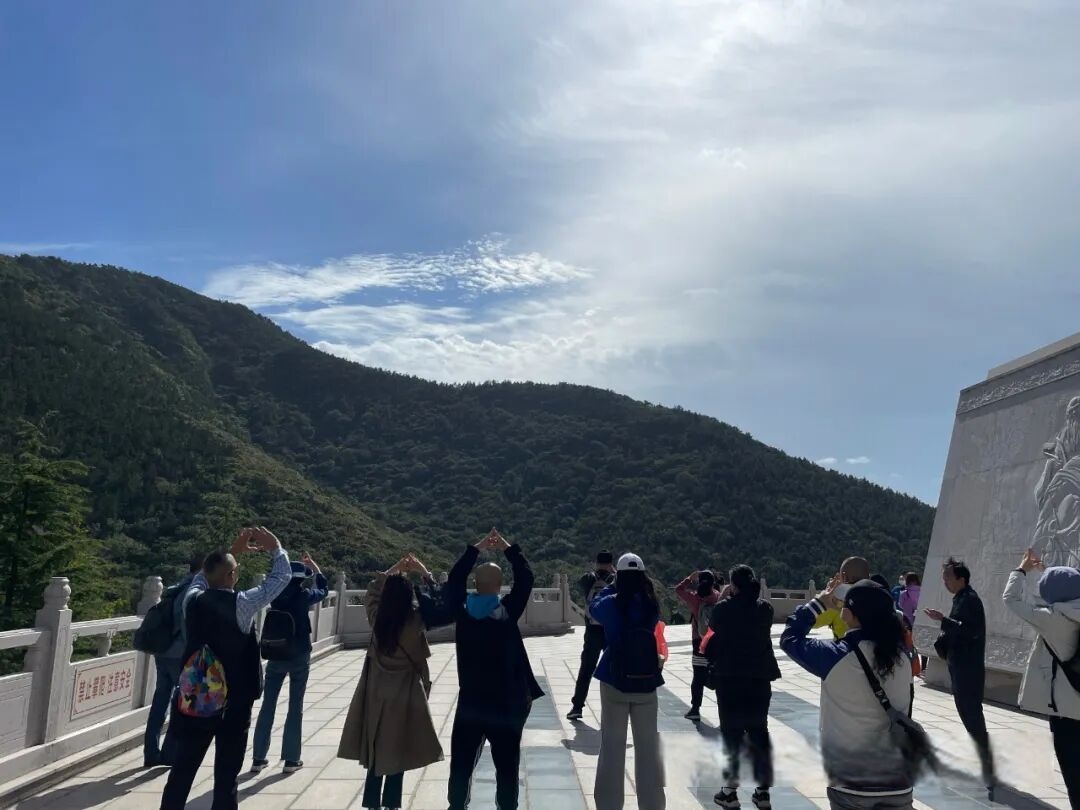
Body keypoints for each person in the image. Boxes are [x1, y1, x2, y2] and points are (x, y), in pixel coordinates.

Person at [160, 527, 293, 810]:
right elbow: (280, 578)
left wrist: (231, 551)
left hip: (197, 699)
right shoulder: (242, 604)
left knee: (183, 767)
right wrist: (276, 547)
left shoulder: (192, 599)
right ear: (232, 576)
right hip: (234, 701)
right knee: (227, 772)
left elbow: (202, 577)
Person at [781, 578, 914, 809]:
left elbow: (791, 638)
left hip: (851, 782)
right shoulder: (903, 657)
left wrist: (819, 604)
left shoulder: (834, 656)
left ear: (848, 614)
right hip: (898, 779)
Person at [435, 529, 543, 810]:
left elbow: (454, 581)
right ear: (500, 585)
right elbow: (526, 579)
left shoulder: (462, 613)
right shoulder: (507, 612)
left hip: (471, 701)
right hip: (505, 702)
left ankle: (457, 805)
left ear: (475, 583)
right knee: (507, 765)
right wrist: (507, 548)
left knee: (461, 763)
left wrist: (475, 549)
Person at [338, 553, 442, 810]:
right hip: (405, 693)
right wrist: (424, 572)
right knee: (399, 747)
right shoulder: (414, 621)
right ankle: (392, 803)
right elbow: (437, 603)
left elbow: (373, 592)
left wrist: (394, 569)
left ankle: (372, 802)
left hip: (376, 692)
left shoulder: (378, 619)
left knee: (376, 746)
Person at [1002, 550, 1080, 806]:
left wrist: (1021, 570)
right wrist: (1052, 575)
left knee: (1074, 776)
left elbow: (1011, 599)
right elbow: (1067, 588)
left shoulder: (1052, 619)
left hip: (1068, 712)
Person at [590, 552, 666, 810]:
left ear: (619, 577)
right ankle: (653, 804)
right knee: (648, 747)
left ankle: (609, 804)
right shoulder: (651, 604)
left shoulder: (611, 602)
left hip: (614, 678)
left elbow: (594, 607)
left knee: (612, 746)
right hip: (646, 679)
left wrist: (611, 585)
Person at [704, 565, 780, 810]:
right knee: (759, 731)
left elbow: (712, 625)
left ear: (734, 585)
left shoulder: (723, 609)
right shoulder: (765, 609)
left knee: (731, 733)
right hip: (759, 679)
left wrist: (726, 596)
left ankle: (729, 792)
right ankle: (763, 792)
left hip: (730, 679)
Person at [250, 553, 329, 774]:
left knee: (268, 705)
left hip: (275, 654)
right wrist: (316, 568)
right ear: (300, 579)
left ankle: (258, 757)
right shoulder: (303, 595)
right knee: (295, 706)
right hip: (299, 655)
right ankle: (291, 759)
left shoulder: (275, 596)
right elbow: (323, 590)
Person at [924, 557, 995, 796]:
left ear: (961, 579)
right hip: (960, 667)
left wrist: (942, 620)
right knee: (968, 714)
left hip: (968, 669)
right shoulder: (961, 599)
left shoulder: (970, 600)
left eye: (948, 577)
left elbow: (968, 631)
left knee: (972, 714)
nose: (945, 581)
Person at [144, 554, 204, 768]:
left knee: (161, 699)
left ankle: (151, 752)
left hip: (163, 651)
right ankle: (170, 752)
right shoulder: (194, 592)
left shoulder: (175, 588)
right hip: (180, 654)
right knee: (181, 702)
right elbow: (187, 625)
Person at [567, 550, 616, 721]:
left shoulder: (588, 578)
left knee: (586, 669)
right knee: (613, 668)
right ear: (611, 563)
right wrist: (614, 572)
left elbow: (581, 583)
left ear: (596, 562)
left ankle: (577, 707)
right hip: (610, 630)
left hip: (592, 631)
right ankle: (614, 708)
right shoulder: (615, 580)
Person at [674, 568, 723, 721]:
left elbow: (678, 589)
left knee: (698, 676)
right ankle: (723, 710)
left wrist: (689, 578)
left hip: (699, 643)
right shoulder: (718, 597)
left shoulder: (695, 599)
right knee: (719, 675)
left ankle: (695, 709)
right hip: (717, 642)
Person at [813, 557, 871, 641]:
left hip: (844, 647)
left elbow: (811, 622)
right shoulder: (880, 598)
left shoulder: (835, 603)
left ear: (843, 577)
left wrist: (824, 595)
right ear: (868, 577)